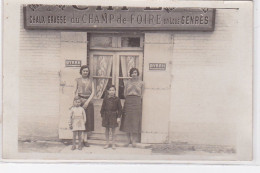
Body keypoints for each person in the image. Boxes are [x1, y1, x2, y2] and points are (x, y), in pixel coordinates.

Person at [120, 68, 144, 147]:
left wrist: (135, 88)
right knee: (127, 121)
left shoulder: (141, 83)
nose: (134, 74)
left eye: (135, 73)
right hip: (128, 101)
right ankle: (128, 140)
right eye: (132, 73)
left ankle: (134, 141)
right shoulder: (127, 83)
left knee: (135, 121)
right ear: (130, 74)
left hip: (137, 101)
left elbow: (141, 94)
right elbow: (124, 94)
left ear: (138, 74)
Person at [74, 65, 95, 147]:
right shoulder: (77, 80)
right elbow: (74, 91)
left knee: (87, 121)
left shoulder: (91, 81)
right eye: (84, 71)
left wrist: (87, 102)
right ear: (81, 72)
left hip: (88, 102)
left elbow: (93, 92)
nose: (85, 72)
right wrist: (77, 101)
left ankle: (85, 140)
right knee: (79, 120)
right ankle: (80, 140)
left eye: (87, 71)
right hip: (79, 101)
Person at [100, 85, 122, 149]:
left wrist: (118, 117)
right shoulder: (105, 98)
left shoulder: (117, 99)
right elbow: (102, 107)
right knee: (106, 130)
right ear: (108, 91)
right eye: (110, 90)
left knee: (113, 131)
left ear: (115, 91)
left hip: (114, 115)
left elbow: (120, 109)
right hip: (106, 115)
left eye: (113, 90)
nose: (111, 91)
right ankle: (107, 143)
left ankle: (113, 144)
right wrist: (102, 115)